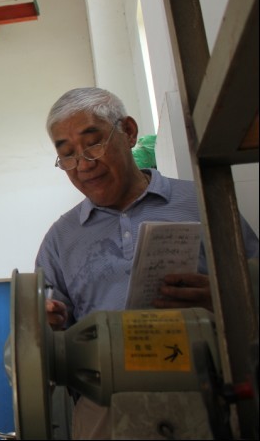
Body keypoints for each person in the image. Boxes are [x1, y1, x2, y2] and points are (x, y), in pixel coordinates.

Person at [35, 86, 259, 439]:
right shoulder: (60, 239)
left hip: (211, 396)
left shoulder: (202, 202)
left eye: (93, 143)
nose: (84, 164)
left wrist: (222, 297)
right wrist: (50, 323)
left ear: (128, 131)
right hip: (106, 412)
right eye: (67, 155)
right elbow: (41, 342)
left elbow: (254, 284)